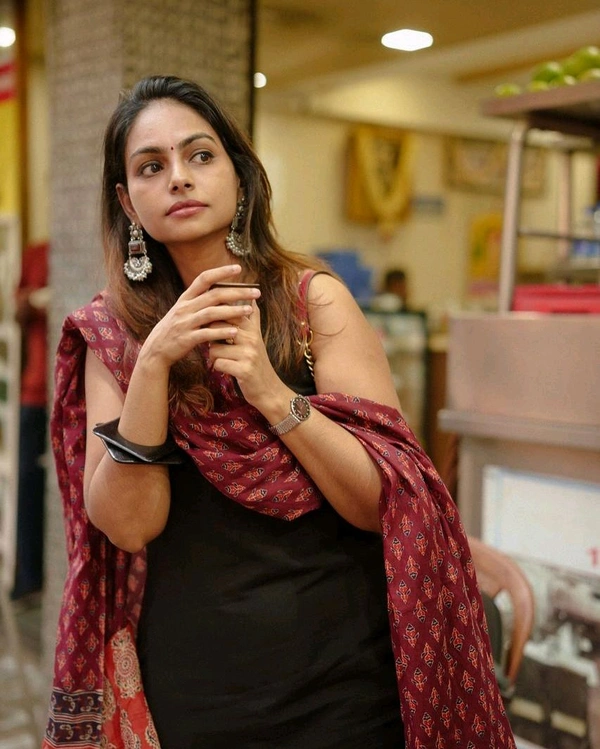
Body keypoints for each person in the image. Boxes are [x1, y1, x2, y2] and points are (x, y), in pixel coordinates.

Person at [45, 75, 515, 749]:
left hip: (343, 676)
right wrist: (151, 367)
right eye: (151, 166)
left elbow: (380, 499)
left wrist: (269, 391)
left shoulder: (311, 303)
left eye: (200, 155)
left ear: (239, 175)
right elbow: (127, 525)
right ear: (127, 201)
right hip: (196, 684)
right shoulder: (114, 336)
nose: (179, 177)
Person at [12, 240, 49, 601]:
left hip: (79, 393)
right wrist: (36, 302)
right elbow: (17, 309)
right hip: (36, 391)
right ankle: (27, 579)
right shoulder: (37, 254)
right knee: (27, 485)